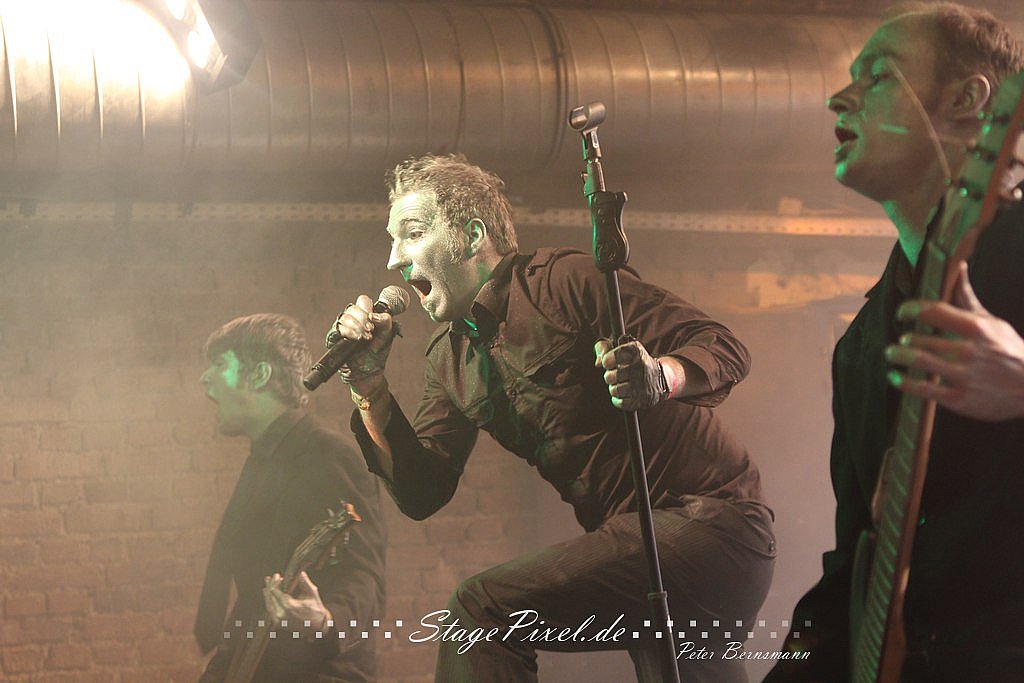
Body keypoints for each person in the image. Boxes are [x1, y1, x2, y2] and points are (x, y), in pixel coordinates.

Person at [329, 153, 776, 682]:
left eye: (412, 234)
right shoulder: (449, 359)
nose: (393, 259)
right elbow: (422, 492)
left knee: (482, 611)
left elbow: (722, 346)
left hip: (710, 525)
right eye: (392, 240)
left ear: (471, 237)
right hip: (639, 551)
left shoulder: (563, 281)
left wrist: (662, 377)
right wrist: (368, 386)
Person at [765, 3, 1024, 681]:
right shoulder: (860, 347)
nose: (838, 97)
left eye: (877, 75)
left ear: (968, 100)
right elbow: (851, 571)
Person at [193, 313, 387, 682]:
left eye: (219, 364)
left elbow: (364, 577)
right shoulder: (262, 460)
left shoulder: (328, 455)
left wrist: (325, 621)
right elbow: (255, 595)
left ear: (260, 374)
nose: (205, 377)